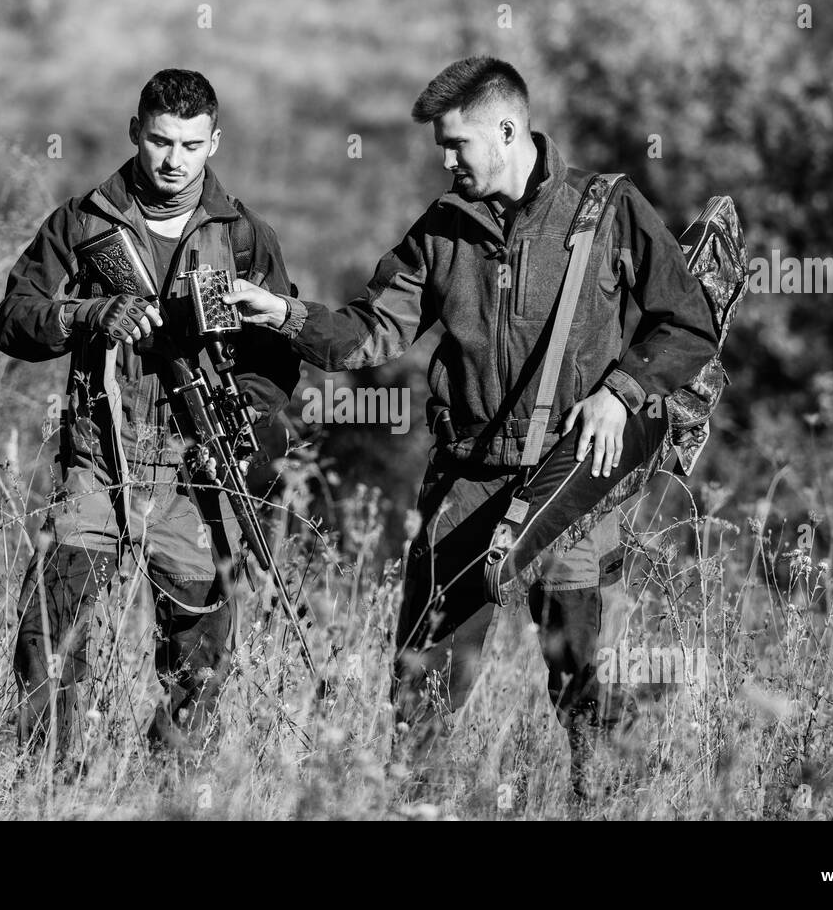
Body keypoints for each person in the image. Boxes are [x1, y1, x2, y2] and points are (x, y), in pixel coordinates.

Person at [225, 56, 718, 789]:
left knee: (587, 676)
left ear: (510, 129)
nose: (445, 160)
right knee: (423, 678)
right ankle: (410, 805)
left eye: (456, 144)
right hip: (465, 480)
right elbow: (370, 333)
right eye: (441, 148)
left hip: (574, 483)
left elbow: (689, 325)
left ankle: (604, 802)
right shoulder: (440, 230)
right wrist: (287, 315)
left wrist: (622, 391)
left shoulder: (610, 208)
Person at [0, 68, 300, 760]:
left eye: (191, 145)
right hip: (97, 465)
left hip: (194, 475)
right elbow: (14, 320)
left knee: (199, 662)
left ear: (214, 140)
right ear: (136, 132)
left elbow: (279, 356)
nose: (173, 159)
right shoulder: (83, 222)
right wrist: (92, 312)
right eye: (160, 140)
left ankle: (171, 795)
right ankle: (48, 791)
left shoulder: (244, 237)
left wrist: (244, 421)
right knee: (47, 635)